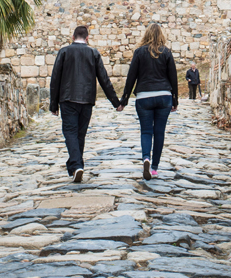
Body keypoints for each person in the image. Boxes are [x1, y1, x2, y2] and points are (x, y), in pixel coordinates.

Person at [49, 25, 120, 183]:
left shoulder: (64, 52)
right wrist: (116, 102)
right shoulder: (93, 53)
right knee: (80, 134)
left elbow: (55, 79)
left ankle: (76, 164)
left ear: (72, 37)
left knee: (70, 133)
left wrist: (53, 105)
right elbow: (104, 80)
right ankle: (76, 166)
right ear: (87, 38)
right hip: (87, 100)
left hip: (67, 99)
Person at [118, 23, 178, 180]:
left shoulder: (139, 52)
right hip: (164, 96)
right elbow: (173, 77)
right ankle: (155, 168)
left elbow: (131, 77)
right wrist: (175, 99)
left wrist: (124, 99)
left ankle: (146, 158)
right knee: (159, 132)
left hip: (144, 96)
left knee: (146, 131)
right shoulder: (167, 52)